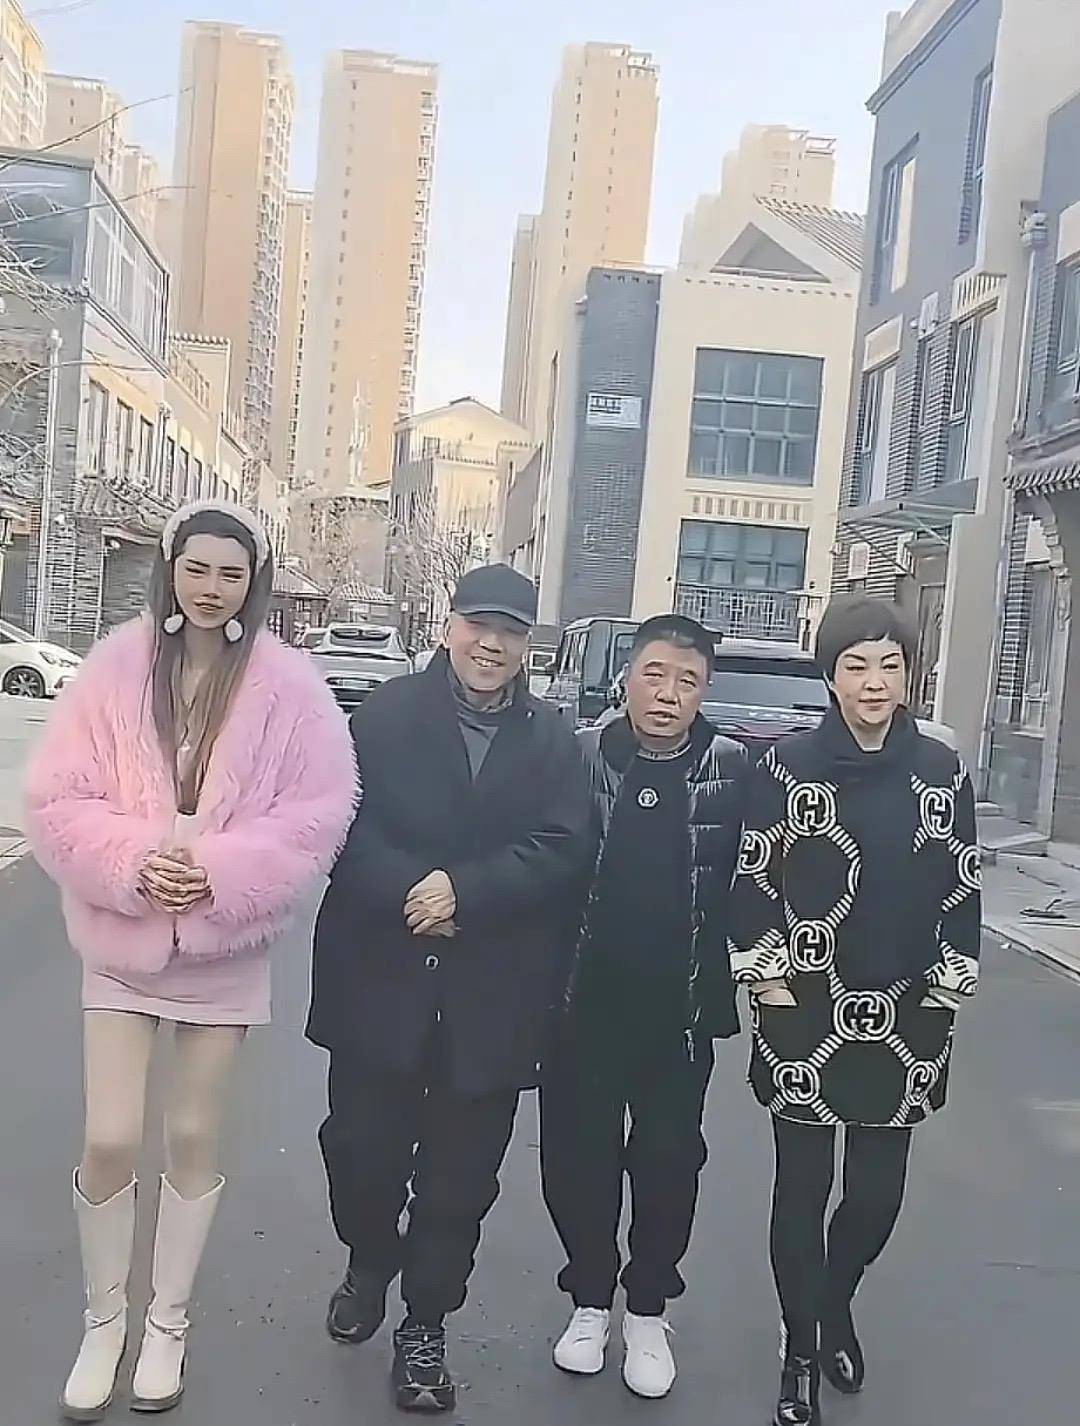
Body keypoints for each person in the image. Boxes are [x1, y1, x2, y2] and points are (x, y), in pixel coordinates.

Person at [24, 500, 356, 1421]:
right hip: (121, 938)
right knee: (109, 1136)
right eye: (197, 568)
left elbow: (316, 813)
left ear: (255, 582)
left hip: (221, 950)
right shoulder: (116, 667)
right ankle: (104, 1323)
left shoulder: (291, 688)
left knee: (194, 1137)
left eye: (231, 574)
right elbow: (56, 797)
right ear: (171, 569)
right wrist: (133, 863)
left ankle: (166, 1324)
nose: (211, 589)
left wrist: (219, 873)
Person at [307, 564, 593, 1414]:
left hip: (492, 993)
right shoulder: (383, 716)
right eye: (478, 624)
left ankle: (425, 1326)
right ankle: (370, 1257)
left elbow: (564, 847)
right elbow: (339, 823)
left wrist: (467, 891)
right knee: (358, 1151)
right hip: (379, 979)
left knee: (459, 1182)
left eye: (510, 632)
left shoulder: (554, 742)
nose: (490, 644)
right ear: (448, 626)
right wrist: (413, 891)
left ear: (528, 646)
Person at [728, 597, 981, 1426]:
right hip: (804, 1009)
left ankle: (832, 1302)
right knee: (800, 1192)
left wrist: (948, 986)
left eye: (890, 665)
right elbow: (754, 877)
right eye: (856, 665)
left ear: (909, 675)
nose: (874, 682)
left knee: (876, 1198)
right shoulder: (785, 767)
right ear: (830, 676)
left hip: (907, 1015)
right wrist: (766, 980)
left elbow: (962, 883)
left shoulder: (941, 770)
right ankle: (800, 1351)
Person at [541, 614, 748, 1399]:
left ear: (704, 692)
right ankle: (590, 1299)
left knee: (668, 1163)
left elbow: (760, 880)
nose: (668, 694)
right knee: (578, 1161)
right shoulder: (580, 754)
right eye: (654, 675)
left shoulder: (733, 768)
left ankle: (649, 1310)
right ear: (626, 678)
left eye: (687, 682)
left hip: (678, 1014)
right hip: (583, 1005)